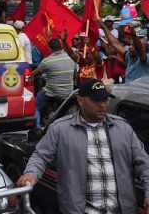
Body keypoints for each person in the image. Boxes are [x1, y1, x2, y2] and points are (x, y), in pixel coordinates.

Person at [17, 79, 149, 213]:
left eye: (105, 99)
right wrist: (31, 174)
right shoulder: (61, 129)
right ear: (80, 101)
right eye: (96, 100)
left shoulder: (123, 128)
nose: (103, 105)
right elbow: (41, 156)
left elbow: (144, 164)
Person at [31, 38, 76, 128]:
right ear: (61, 47)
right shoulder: (70, 58)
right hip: (69, 92)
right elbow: (74, 73)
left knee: (35, 105)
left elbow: (34, 74)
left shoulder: (47, 61)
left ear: (50, 48)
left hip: (52, 92)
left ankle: (37, 128)